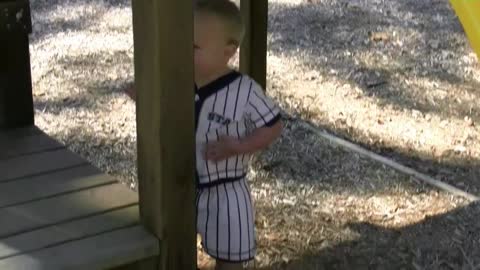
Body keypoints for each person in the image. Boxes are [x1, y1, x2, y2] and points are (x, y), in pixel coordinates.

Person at [127, 1, 282, 269]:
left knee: (230, 258)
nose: (184, 52)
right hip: (183, 187)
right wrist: (143, 95)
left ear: (228, 51)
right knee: (175, 247)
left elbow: (274, 126)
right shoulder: (181, 80)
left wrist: (238, 146)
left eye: (194, 48)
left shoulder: (244, 91)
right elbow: (165, 104)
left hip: (227, 192)